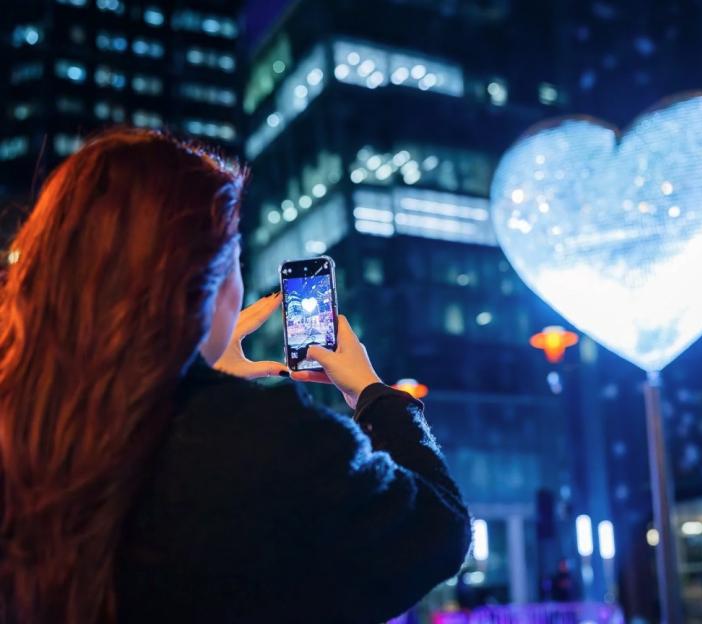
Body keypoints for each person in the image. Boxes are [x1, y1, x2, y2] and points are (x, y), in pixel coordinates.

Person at [0, 128, 471, 624]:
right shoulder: (270, 437)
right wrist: (373, 394)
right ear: (207, 280)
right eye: (235, 257)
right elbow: (438, 531)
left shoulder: (23, 421)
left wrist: (201, 380)